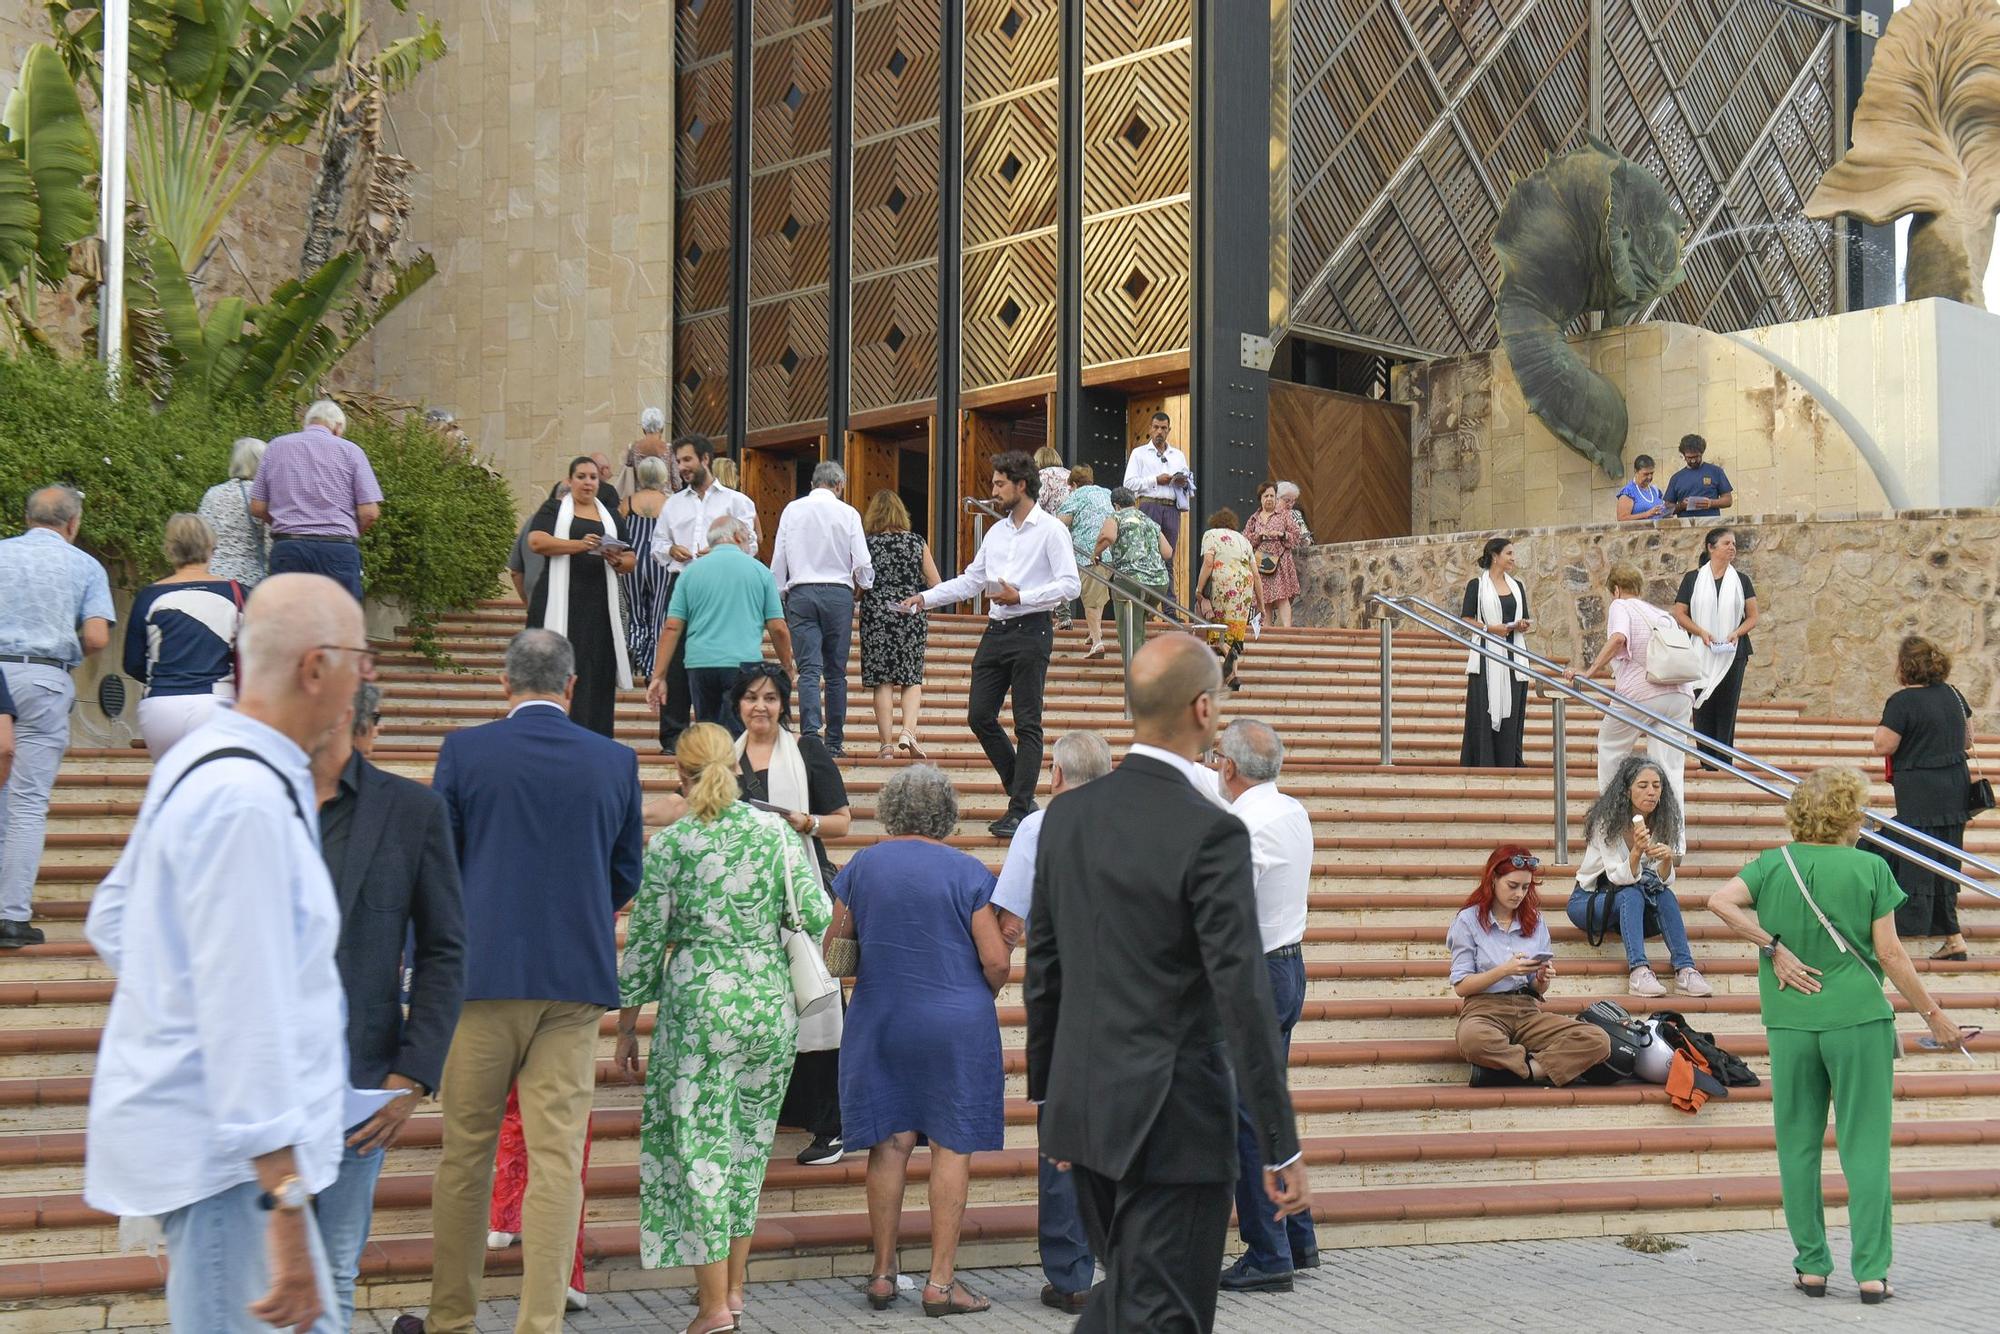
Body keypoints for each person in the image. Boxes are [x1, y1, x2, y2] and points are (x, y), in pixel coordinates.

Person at [83, 573, 371, 1333]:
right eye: (359, 658)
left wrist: (174, 1006)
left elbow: (115, 918)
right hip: (237, 1177)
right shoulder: (243, 798)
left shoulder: (209, 760)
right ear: (315, 667)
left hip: (237, 1169)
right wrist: (282, 1197)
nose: (363, 677)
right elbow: (243, 1004)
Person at [1026, 633, 1309, 1332]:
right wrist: (1281, 1143)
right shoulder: (1211, 831)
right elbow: (1242, 996)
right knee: (1164, 1314)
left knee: (1130, 1301)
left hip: (1085, 1113)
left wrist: (1051, 1105)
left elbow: (1044, 970)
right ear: (1205, 708)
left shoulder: (1065, 816)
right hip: (1173, 1121)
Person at [425, 629, 644, 1334]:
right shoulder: (614, 760)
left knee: (466, 1156)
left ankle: (452, 1318)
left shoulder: (465, 752)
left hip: (480, 976)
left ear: (503, 683)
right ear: (573, 685)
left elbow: (440, 866)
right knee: (556, 1161)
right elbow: (624, 875)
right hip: (573, 980)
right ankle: (539, 1323)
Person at [1707, 766, 1964, 1303]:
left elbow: (1718, 902)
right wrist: (1933, 1015)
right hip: (1859, 1021)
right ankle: (1871, 1273)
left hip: (1791, 1020)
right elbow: (1891, 955)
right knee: (1865, 1147)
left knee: (1797, 1147)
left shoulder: (1771, 864)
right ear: (1850, 814)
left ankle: (1812, 1267)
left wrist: (1772, 946)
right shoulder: (1871, 868)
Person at [613, 722, 829, 1334]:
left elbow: (648, 941)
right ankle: (732, 1290)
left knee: (701, 1150)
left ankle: (712, 1310)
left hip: (699, 1009)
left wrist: (628, 1025)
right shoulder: (774, 834)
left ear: (678, 775)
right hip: (767, 1003)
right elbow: (813, 913)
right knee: (747, 1150)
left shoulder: (674, 845)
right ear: (735, 767)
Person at [310, 682, 467, 1331]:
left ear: (365, 730)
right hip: (259, 1087)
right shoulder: (257, 800)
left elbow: (445, 949)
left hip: (360, 1081)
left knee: (335, 1268)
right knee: (260, 1271)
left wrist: (413, 1076)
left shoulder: (411, 812)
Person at [831, 765, 1010, 1316]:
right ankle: (939, 1283)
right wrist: (978, 986)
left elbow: (835, 950)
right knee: (952, 1144)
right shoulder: (968, 871)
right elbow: (996, 961)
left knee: (890, 1145)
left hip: (882, 1015)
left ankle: (883, 1274)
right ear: (946, 813)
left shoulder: (863, 864)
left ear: (891, 807)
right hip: (955, 1023)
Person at [990, 731, 1112, 1314]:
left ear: (1057, 775)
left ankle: (1070, 1275)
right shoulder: (1132, 823)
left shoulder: (1040, 828)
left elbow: (1009, 921)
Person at [902, 450, 1079, 839]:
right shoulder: (997, 532)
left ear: (1021, 485)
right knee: (979, 715)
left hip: (1032, 628)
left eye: (1000, 483)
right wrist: (925, 598)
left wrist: (1024, 597)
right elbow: (971, 580)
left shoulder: (1051, 530)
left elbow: (1071, 584)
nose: (993, 490)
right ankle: (1024, 794)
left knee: (1027, 723)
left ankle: (1017, 809)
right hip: (997, 632)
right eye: (994, 483)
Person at [1208, 721, 1322, 1292]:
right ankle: (1296, 1236)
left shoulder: (1240, 825)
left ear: (1228, 767)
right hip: (1287, 963)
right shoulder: (1292, 810)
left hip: (1250, 973)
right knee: (1268, 1103)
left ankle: (1268, 1250)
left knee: (1246, 1115)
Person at [728, 663, 854, 1166]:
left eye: (771, 698)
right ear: (737, 704)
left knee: (818, 998)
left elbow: (843, 821)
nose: (760, 706)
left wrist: (811, 822)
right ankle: (784, 1106)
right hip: (742, 903)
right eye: (751, 698)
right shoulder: (725, 759)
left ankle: (832, 1124)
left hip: (800, 894)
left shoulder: (807, 752)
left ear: (784, 704)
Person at [0, 485, 115, 948]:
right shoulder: (86, 566)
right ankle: (10, 916)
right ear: (72, 524)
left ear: (28, 518)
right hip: (44, 680)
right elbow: (97, 638)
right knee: (27, 801)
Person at [1450, 845, 1612, 1087]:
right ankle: (1537, 1068)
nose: (1519, 894)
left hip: (1527, 1011)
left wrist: (1541, 979)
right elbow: (1462, 986)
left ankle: (1521, 1072)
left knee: (1598, 1039)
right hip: (1484, 1010)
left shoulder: (1535, 921)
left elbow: (1536, 990)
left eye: (1525, 887)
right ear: (1493, 879)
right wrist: (1505, 970)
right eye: (1512, 885)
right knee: (1472, 1039)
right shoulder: (1468, 920)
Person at [650, 433, 760, 753]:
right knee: (676, 659)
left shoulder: (736, 501)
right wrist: (672, 548)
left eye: (687, 460)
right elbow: (657, 546)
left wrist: (722, 552)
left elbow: (751, 544)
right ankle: (673, 735)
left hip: (723, 587)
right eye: (678, 462)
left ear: (705, 460)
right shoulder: (672, 504)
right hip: (682, 582)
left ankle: (722, 735)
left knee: (720, 659)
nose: (682, 467)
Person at [1567, 756, 1710, 998]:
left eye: (1657, 786)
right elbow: (1617, 876)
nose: (1651, 792)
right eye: (1643, 786)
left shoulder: (1662, 822)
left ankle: (1685, 969)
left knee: (1664, 895)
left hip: (1633, 904)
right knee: (1631, 893)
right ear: (1627, 791)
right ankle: (1639, 970)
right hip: (1590, 901)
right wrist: (1636, 852)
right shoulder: (1607, 824)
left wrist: (1666, 859)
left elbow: (1662, 879)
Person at [1871, 636, 1976, 959]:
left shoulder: (1902, 702)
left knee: (1902, 849)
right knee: (1945, 857)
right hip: (1956, 788)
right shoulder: (1954, 695)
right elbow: (1969, 739)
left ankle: (1895, 929)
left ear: (1906, 666)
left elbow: (1883, 745)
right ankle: (1953, 937)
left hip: (1920, 790)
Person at [648, 516, 795, 731]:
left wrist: (659, 675)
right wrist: (787, 666)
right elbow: (778, 628)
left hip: (700, 662)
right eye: (747, 538)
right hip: (743, 663)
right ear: (737, 537)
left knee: (708, 731)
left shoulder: (689, 573)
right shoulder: (760, 572)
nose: (748, 543)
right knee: (739, 731)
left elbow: (672, 627)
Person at [526, 455, 637, 738]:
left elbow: (631, 560)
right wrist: (579, 545)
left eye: (593, 477)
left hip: (600, 604)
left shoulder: (611, 515)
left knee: (596, 671)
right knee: (555, 667)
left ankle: (595, 737)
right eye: (582, 476)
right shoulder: (554, 508)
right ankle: (551, 732)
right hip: (558, 600)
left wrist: (615, 559)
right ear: (570, 480)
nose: (588, 482)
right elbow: (536, 541)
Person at [770, 460, 874, 756]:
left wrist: (778, 595)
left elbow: (780, 556)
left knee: (809, 669)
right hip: (839, 594)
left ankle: (811, 735)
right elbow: (863, 563)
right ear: (839, 485)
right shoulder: (848, 512)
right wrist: (863, 585)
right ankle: (835, 741)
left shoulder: (792, 509)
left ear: (813, 483)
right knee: (836, 672)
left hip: (802, 592)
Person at [124, 514, 245, 758]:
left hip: (160, 708)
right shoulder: (237, 594)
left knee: (173, 786)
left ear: (170, 549)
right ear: (211, 547)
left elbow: (132, 662)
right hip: (216, 703)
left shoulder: (149, 596)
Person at [1570, 563, 1694, 801]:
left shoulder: (1621, 605)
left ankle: (1610, 824)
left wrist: (1590, 671)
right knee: (1669, 769)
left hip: (1643, 692)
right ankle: (1672, 836)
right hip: (1680, 694)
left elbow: (1618, 638)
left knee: (1611, 747)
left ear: (1616, 589)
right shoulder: (1660, 614)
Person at [250, 399, 383, 603]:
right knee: (340, 625)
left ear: (307, 423)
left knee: (288, 623)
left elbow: (258, 507)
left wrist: (283, 522)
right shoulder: (351, 451)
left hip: (289, 546)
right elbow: (370, 513)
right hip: (338, 549)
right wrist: (349, 530)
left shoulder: (276, 447)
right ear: (338, 427)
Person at [859, 489, 939, 758]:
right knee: (911, 678)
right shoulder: (916, 542)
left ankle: (886, 746)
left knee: (882, 682)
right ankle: (908, 731)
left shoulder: (868, 545)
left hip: (877, 617)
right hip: (910, 614)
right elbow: (935, 583)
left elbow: (860, 584)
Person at [1673, 526, 1759, 768]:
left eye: (1733, 544)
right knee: (1702, 704)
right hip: (1701, 649)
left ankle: (1724, 762)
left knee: (1726, 705)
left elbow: (1752, 616)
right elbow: (1680, 613)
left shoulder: (1741, 580)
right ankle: (1707, 762)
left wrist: (1736, 633)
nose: (1732, 547)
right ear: (1711, 548)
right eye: (1726, 543)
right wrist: (1700, 632)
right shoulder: (1693, 579)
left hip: (1733, 652)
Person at [1458, 536, 1532, 768]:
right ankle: (1484, 759)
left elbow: (1524, 617)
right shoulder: (1477, 586)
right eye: (1509, 553)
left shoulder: (1517, 586)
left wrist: (1521, 625)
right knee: (1485, 709)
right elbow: (1467, 619)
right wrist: (1490, 628)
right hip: (1486, 654)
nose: (1513, 558)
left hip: (1513, 654)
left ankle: (1510, 759)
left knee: (1513, 709)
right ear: (1495, 556)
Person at [1094, 487, 1172, 680]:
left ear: (1116, 505)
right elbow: (1167, 552)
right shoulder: (1149, 521)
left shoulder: (1116, 517)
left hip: (1130, 580)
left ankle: (1136, 674)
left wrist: (1096, 552)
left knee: (1127, 626)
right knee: (1138, 624)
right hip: (1159, 583)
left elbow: (1108, 536)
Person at [1122, 411, 1193, 599]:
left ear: (1169, 430)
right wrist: (1155, 480)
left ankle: (1169, 609)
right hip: (1149, 506)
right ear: (1150, 429)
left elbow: (1189, 482)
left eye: (1163, 428)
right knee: (1146, 555)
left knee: (1168, 557)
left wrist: (1182, 482)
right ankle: (1147, 606)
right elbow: (1129, 484)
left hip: (1171, 508)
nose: (1159, 432)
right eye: (1156, 428)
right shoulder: (1139, 454)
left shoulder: (1177, 455)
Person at [620, 455, 675, 681]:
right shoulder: (670, 503)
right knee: (658, 610)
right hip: (659, 561)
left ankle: (633, 649)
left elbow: (618, 530)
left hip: (632, 558)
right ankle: (653, 665)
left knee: (635, 609)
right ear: (663, 477)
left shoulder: (628, 502)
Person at [1196, 507, 1262, 690]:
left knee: (1217, 630)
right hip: (1244, 587)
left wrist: (1199, 589)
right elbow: (1256, 575)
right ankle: (1233, 678)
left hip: (1223, 584)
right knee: (1234, 633)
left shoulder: (1211, 535)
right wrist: (1262, 606)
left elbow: (1208, 563)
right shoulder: (1244, 540)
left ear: (1215, 522)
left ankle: (1228, 653)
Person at [1055, 463, 1117, 659]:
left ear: (1073, 484)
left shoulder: (1075, 497)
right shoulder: (1106, 493)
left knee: (1090, 601)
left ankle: (1098, 642)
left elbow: (1060, 523)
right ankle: (1093, 633)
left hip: (1088, 555)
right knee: (1098, 596)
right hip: (1109, 553)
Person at [197, 436, 272, 585]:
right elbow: (270, 543)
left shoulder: (213, 493)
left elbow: (201, 536)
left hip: (213, 575)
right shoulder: (261, 497)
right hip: (249, 579)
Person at [1245, 482, 1304, 628]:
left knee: (1282, 597)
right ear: (1261, 499)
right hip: (1262, 563)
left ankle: (1287, 630)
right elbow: (1246, 538)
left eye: (1272, 495)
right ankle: (1267, 633)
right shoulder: (1254, 518)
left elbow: (1296, 535)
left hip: (1281, 561)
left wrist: (1282, 534)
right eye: (1266, 496)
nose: (1269, 499)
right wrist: (1259, 535)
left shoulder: (1284, 515)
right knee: (1265, 600)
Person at [1035, 447, 1075, 630]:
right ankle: (1065, 614)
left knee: (1050, 570)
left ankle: (1059, 614)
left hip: (1051, 528)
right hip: (1072, 528)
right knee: (1064, 570)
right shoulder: (1069, 474)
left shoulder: (1044, 475)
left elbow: (1037, 501)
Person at [1663, 434, 1734, 516]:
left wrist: (1710, 503)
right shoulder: (1676, 478)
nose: (1693, 460)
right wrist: (1681, 506)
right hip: (1685, 525)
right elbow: (1666, 509)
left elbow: (1728, 500)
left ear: (1702, 453)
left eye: (1696, 457)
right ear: (1683, 455)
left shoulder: (1716, 471)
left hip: (1711, 524)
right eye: (1689, 458)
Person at [615, 406, 674, 499]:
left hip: (639, 500)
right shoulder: (669, 449)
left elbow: (629, 476)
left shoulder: (633, 448)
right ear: (662, 428)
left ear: (643, 428)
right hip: (664, 500)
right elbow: (676, 482)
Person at [1616, 453, 1669, 522]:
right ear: (1636, 471)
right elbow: (1622, 518)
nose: (1649, 477)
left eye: (1651, 473)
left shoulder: (1655, 491)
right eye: (1646, 474)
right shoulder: (1628, 492)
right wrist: (1646, 514)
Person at [1274, 480, 1313, 546]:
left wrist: (1306, 541)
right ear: (1276, 498)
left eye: (1293, 501)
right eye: (1287, 501)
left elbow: (1309, 539)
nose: (1290, 505)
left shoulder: (1295, 514)